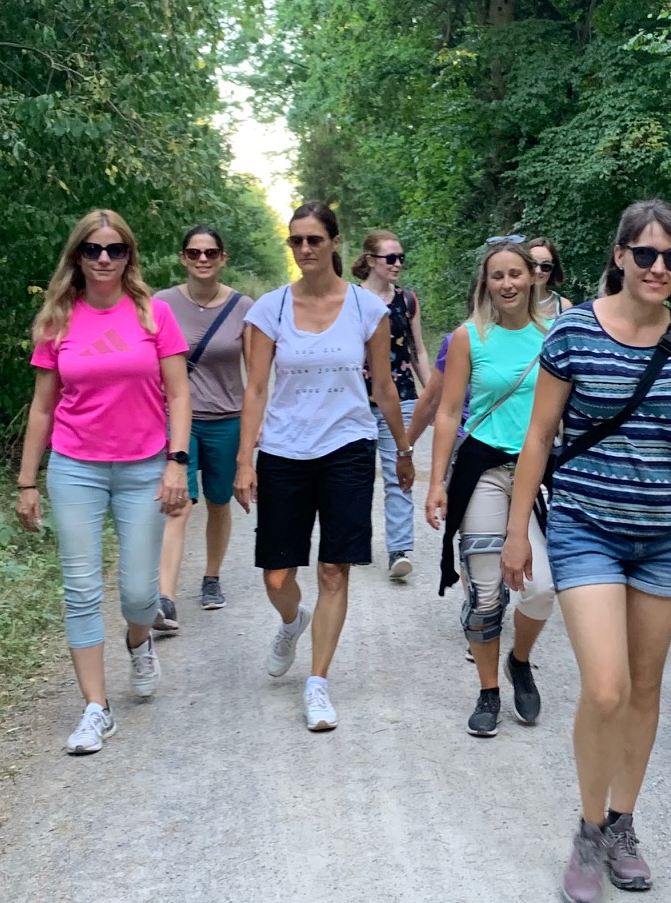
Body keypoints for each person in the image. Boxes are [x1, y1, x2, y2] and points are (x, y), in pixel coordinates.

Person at [502, 199, 671, 903]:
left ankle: (622, 825)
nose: (659, 268)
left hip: (666, 534)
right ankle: (587, 829)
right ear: (620, 256)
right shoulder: (574, 331)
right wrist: (517, 531)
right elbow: (539, 435)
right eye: (646, 254)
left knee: (643, 688)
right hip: (586, 528)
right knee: (605, 688)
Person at [16, 209, 193, 756]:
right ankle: (96, 708)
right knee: (80, 590)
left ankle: (138, 642)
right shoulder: (58, 320)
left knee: (140, 595)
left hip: (144, 467)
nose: (103, 259)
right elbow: (42, 407)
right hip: (76, 467)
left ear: (128, 256)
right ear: (77, 256)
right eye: (92, 249)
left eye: (115, 249)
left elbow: (179, 394)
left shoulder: (154, 313)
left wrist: (177, 462)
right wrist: (27, 482)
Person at [234, 203, 415, 733]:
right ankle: (293, 621)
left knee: (334, 569)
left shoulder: (366, 309)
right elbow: (256, 388)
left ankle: (317, 682)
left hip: (347, 447)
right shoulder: (269, 309)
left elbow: (384, 387)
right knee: (276, 575)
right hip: (284, 450)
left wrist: (403, 450)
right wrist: (245, 460)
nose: (305, 249)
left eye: (314, 239)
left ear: (335, 243)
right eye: (296, 241)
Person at [424, 242, 554, 736]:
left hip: (537, 474)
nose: (507, 284)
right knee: (484, 592)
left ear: (532, 277)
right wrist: (436, 482)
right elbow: (448, 412)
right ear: (486, 282)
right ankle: (488, 691)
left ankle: (519, 660)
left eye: (515, 273)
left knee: (541, 588)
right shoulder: (469, 337)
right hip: (482, 471)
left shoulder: (555, 336)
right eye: (497, 276)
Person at [154, 226, 248, 634]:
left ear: (223, 258)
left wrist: (255, 431)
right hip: (179, 420)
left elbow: (258, 375)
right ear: (183, 258)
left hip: (228, 418)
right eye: (194, 253)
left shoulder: (243, 306)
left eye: (211, 253)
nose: (202, 260)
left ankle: (211, 577)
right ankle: (165, 598)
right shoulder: (161, 303)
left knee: (218, 501)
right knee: (178, 503)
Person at [354, 230, 430, 582]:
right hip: (355, 398)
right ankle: (355, 542)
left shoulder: (407, 300)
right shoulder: (350, 299)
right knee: (355, 474)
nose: (397, 264)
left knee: (400, 470)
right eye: (390, 258)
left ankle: (400, 549)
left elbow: (417, 351)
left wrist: (432, 393)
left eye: (401, 258)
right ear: (371, 261)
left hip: (401, 398)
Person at [525, 236, 571, 322]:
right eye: (532, 265)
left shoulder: (563, 307)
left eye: (545, 266)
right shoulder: (511, 302)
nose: (538, 271)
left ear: (553, 270)